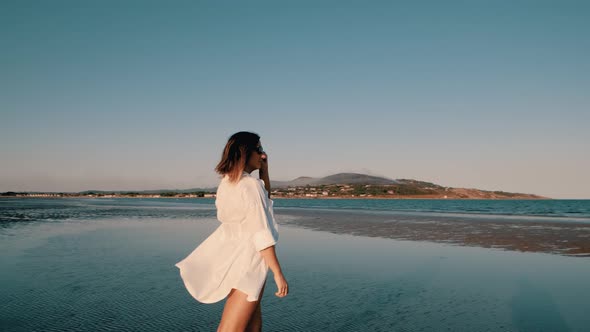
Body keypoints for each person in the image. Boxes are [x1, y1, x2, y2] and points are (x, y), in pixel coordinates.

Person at [175, 131, 288, 332]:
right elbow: (261, 232)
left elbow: (264, 204)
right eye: (259, 149)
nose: (263, 155)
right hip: (249, 264)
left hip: (236, 259)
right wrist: (278, 273)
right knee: (230, 329)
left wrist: (265, 171)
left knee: (253, 327)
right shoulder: (250, 186)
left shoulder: (228, 183)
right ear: (246, 152)